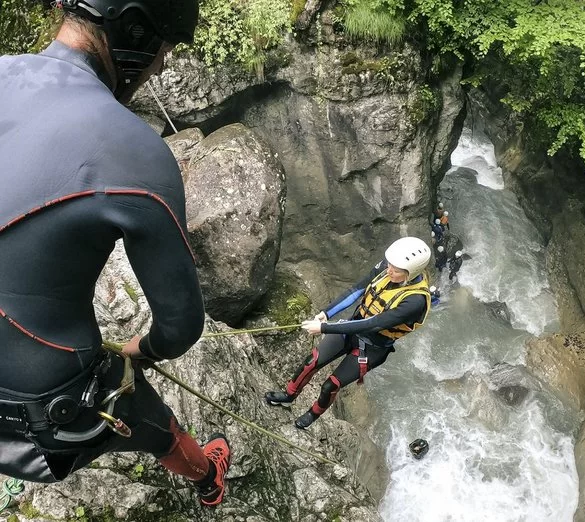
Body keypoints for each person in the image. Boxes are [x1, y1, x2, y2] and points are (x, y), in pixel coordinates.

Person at [0, 0, 231, 507]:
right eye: (164, 50)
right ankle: (205, 477)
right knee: (144, 415)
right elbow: (181, 328)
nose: (162, 65)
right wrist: (139, 350)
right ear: (134, 31)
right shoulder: (139, 152)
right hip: (41, 419)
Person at [265, 237, 432, 429]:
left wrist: (324, 328)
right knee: (312, 362)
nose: (389, 270)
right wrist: (326, 313)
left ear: (410, 273)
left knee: (331, 385)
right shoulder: (386, 269)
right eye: (389, 265)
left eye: (395, 269)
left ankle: (312, 415)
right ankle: (288, 395)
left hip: (372, 347)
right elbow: (356, 290)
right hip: (352, 328)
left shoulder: (414, 301)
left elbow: (372, 324)